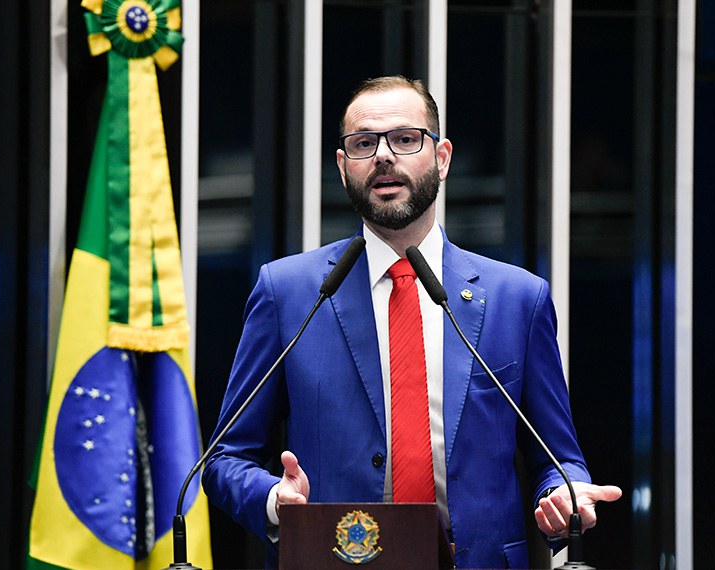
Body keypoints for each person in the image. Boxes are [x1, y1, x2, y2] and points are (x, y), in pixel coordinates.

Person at [202, 75, 622, 569]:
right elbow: (225, 458)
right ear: (343, 168)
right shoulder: (290, 293)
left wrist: (563, 495)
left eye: (405, 139)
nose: (383, 156)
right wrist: (278, 501)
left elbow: (556, 458)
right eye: (363, 143)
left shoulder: (516, 299)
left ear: (442, 158)